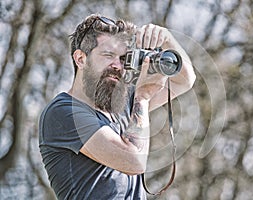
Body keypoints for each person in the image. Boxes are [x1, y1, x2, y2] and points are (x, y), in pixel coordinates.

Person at [39, 13, 196, 200]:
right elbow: (133, 162)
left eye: (123, 59)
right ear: (80, 59)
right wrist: (143, 96)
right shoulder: (63, 112)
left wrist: (167, 39)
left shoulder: (121, 104)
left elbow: (185, 80)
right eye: (108, 55)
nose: (117, 66)